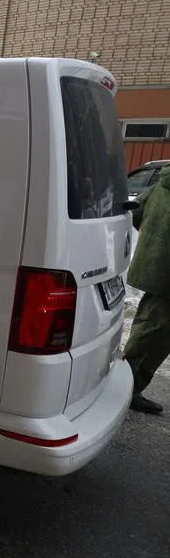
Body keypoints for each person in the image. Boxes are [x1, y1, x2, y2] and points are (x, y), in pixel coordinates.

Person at [123, 165, 170, 415]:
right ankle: (126, 390)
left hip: (156, 267)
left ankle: (128, 387)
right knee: (154, 334)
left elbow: (136, 211)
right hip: (165, 276)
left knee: (150, 329)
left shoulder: (161, 182)